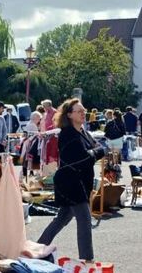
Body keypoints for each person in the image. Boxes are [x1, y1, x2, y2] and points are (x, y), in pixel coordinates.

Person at [36, 98, 107, 262]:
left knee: (62, 218)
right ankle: (87, 260)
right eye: (79, 111)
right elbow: (85, 158)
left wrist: (96, 151)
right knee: (84, 219)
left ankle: (37, 247)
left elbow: (96, 148)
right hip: (70, 183)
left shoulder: (83, 132)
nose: (83, 113)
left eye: (84, 111)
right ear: (69, 115)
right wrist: (97, 152)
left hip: (79, 182)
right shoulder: (67, 134)